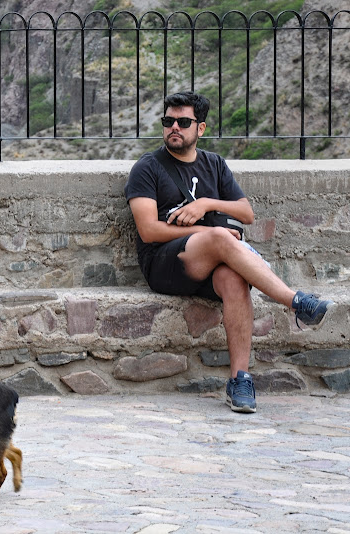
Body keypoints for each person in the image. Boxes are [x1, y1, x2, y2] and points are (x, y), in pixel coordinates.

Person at [124, 90, 335, 414]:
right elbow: (149, 230)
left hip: (213, 260)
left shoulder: (214, 164)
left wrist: (206, 204)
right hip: (165, 262)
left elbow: (246, 213)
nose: (174, 128)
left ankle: (240, 379)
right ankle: (295, 302)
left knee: (234, 280)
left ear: (201, 128)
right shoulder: (148, 167)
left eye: (183, 121)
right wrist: (210, 232)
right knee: (222, 237)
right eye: (168, 121)